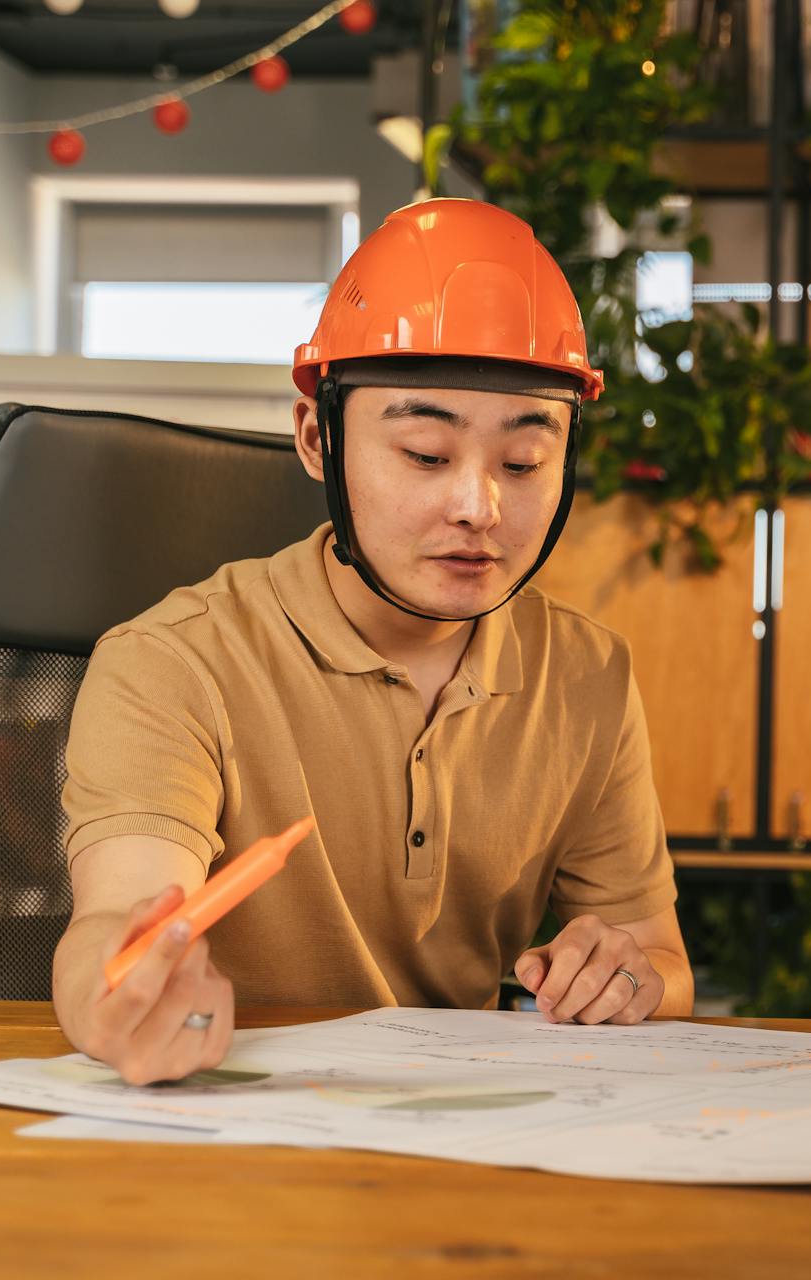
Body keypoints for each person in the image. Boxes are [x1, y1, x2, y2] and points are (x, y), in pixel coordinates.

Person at [52, 199, 690, 1085]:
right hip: (224, 1120)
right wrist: (116, 1002)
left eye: (524, 463)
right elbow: (111, 925)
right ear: (317, 438)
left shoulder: (584, 673)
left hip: (462, 1136)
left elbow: (662, 961)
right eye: (426, 454)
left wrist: (624, 977)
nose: (479, 507)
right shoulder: (172, 661)